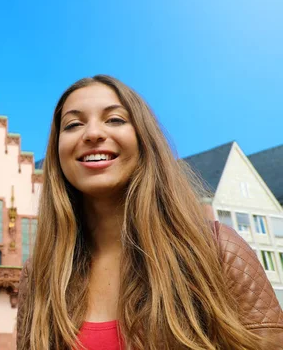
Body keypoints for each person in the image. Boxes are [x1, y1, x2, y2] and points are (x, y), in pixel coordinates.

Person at [17, 75, 283, 350]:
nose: (93, 133)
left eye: (115, 119)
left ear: (145, 140)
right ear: (57, 152)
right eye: (73, 124)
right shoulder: (38, 277)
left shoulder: (217, 251)